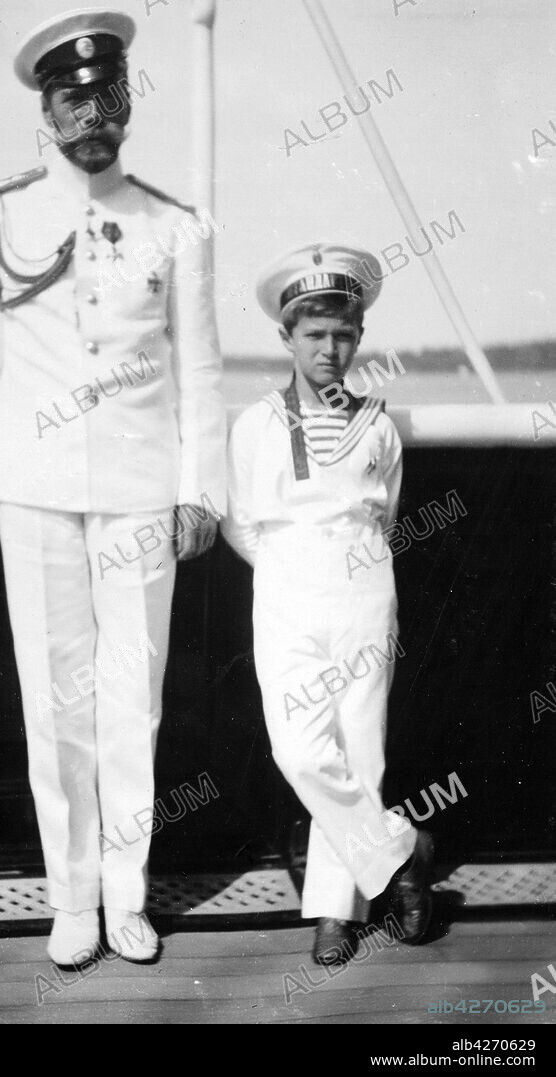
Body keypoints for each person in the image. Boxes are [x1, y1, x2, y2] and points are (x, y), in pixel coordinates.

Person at [0, 8, 225, 967]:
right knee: (55, 701)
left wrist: (201, 486)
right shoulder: (3, 213)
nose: (92, 117)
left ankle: (128, 897)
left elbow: (200, 370)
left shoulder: (175, 226)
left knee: (132, 699)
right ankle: (72, 900)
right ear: (48, 111)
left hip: (142, 489)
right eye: (74, 100)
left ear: (126, 102)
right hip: (34, 484)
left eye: (108, 97)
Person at [222, 243, 432, 966]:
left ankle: (335, 913)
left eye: (343, 334)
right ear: (286, 337)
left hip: (365, 592)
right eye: (314, 334)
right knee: (302, 751)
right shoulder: (256, 424)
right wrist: (293, 572)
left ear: (360, 337)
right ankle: (401, 850)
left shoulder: (378, 425)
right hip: (286, 591)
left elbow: (386, 511)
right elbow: (241, 522)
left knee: (360, 750)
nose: (329, 349)